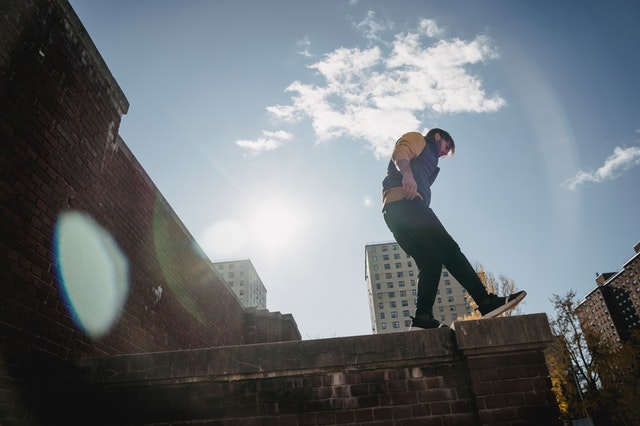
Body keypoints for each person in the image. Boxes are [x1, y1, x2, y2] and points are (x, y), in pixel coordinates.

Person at [381, 128, 526, 329]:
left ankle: (422, 319)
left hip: (395, 214)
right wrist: (407, 175)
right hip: (407, 205)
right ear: (438, 136)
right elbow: (400, 152)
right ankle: (486, 302)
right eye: (446, 147)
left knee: (430, 263)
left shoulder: (431, 162)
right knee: (449, 250)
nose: (444, 153)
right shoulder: (419, 140)